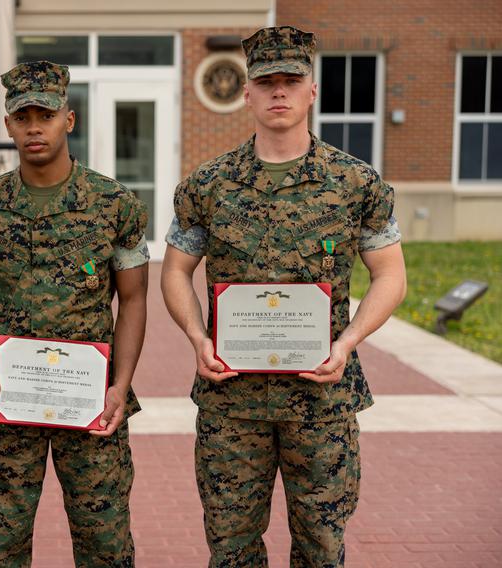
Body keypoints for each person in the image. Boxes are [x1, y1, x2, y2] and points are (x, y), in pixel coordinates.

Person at [160, 26, 407, 567]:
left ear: (311, 91)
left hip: (321, 400)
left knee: (321, 548)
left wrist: (348, 341)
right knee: (231, 549)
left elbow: (390, 276)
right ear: (246, 93)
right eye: (266, 81)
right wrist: (197, 337)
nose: (279, 92)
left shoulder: (355, 183)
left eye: (291, 81)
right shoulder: (208, 185)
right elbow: (175, 273)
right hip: (232, 403)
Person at [0, 60, 150, 567]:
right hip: (8, 401)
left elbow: (133, 300)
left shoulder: (113, 205)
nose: (34, 126)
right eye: (23, 116)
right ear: (8, 125)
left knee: (105, 544)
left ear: (69, 118)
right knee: (0, 548)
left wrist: (121, 384)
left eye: (46, 113)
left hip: (90, 404)